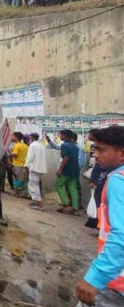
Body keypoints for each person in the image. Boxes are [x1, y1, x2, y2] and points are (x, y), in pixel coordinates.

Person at [75, 126, 124, 306]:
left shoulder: (119, 180)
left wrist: (96, 277)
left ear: (122, 154)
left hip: (115, 282)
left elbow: (121, 234)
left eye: (101, 150)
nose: (95, 154)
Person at [47, 130, 81, 215]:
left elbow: (66, 158)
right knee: (73, 188)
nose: (59, 136)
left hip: (67, 169)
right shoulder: (75, 146)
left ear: (65, 136)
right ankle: (75, 207)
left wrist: (60, 169)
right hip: (75, 169)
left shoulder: (64, 145)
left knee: (58, 185)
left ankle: (65, 205)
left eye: (60, 135)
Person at [26, 133, 48, 210]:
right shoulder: (41, 145)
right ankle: (36, 201)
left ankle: (40, 205)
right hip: (40, 168)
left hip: (34, 168)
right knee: (34, 185)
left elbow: (30, 157)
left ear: (32, 137)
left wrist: (26, 166)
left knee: (33, 186)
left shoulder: (32, 145)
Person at [10, 132, 29, 196]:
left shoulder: (17, 145)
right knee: (23, 180)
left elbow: (15, 155)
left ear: (17, 138)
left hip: (17, 165)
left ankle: (17, 193)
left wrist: (9, 154)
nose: (12, 137)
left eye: (13, 136)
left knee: (17, 179)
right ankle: (23, 193)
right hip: (24, 165)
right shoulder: (26, 146)